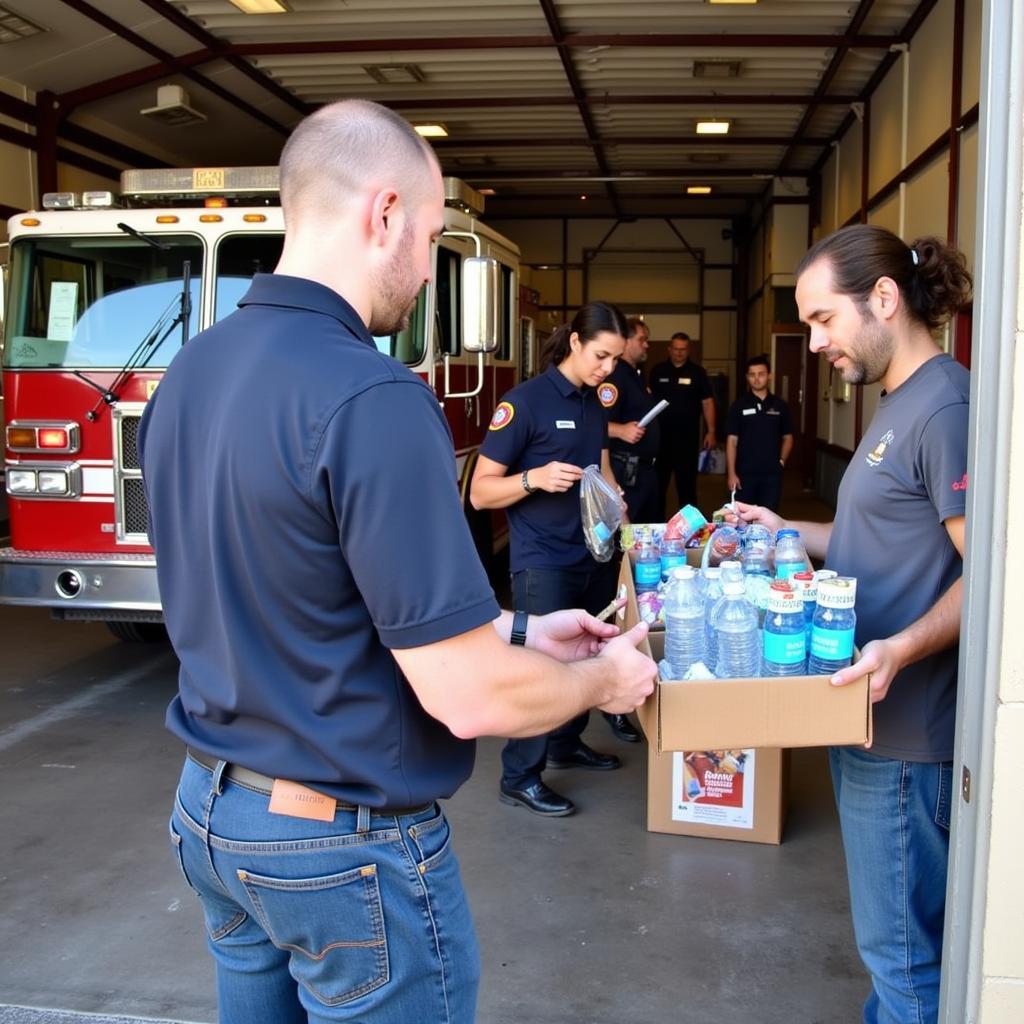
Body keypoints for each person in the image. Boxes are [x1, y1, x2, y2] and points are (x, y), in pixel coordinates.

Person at [139, 99, 656, 1024]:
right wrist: (606, 682)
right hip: (338, 849)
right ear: (382, 213)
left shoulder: (194, 370)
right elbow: (469, 696)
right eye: (426, 238)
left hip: (214, 816)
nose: (424, 271)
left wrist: (525, 629)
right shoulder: (373, 394)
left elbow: (309, 590)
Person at [734, 224, 972, 1024]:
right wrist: (786, 527)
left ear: (883, 298)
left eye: (823, 319)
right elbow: (880, 542)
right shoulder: (899, 404)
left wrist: (901, 646)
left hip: (907, 734)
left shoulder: (945, 409)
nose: (815, 341)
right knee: (889, 950)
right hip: (864, 715)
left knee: (905, 965)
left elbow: (993, 581)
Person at [470, 301, 641, 810]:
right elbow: (480, 493)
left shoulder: (594, 404)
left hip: (592, 553)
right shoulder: (524, 403)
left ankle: (566, 743)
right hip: (542, 559)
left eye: (614, 359)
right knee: (540, 664)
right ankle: (519, 775)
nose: (607, 368)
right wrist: (535, 478)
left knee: (584, 652)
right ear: (574, 343)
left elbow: (604, 474)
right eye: (601, 356)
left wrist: (627, 534)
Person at [648, 331, 717, 514]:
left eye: (683, 349)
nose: (679, 353)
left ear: (688, 350)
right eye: (676, 349)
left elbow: (707, 402)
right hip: (661, 442)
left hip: (687, 442)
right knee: (657, 488)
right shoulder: (657, 371)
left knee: (687, 490)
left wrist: (711, 431)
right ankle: (657, 528)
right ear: (669, 349)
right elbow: (646, 401)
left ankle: (690, 531)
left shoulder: (698, 373)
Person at [604, 316, 662, 525]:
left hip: (645, 472)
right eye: (642, 339)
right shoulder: (614, 377)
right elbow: (592, 423)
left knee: (648, 532)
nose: (646, 344)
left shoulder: (634, 375)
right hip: (626, 473)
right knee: (629, 535)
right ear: (626, 342)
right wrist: (620, 430)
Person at [724, 354, 794, 512]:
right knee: (742, 519)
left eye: (761, 374)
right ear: (747, 377)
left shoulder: (780, 405)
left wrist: (781, 461)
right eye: (752, 375)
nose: (757, 379)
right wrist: (731, 473)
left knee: (769, 517)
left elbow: (788, 438)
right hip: (744, 475)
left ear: (769, 376)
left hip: (771, 474)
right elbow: (731, 441)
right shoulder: (738, 406)